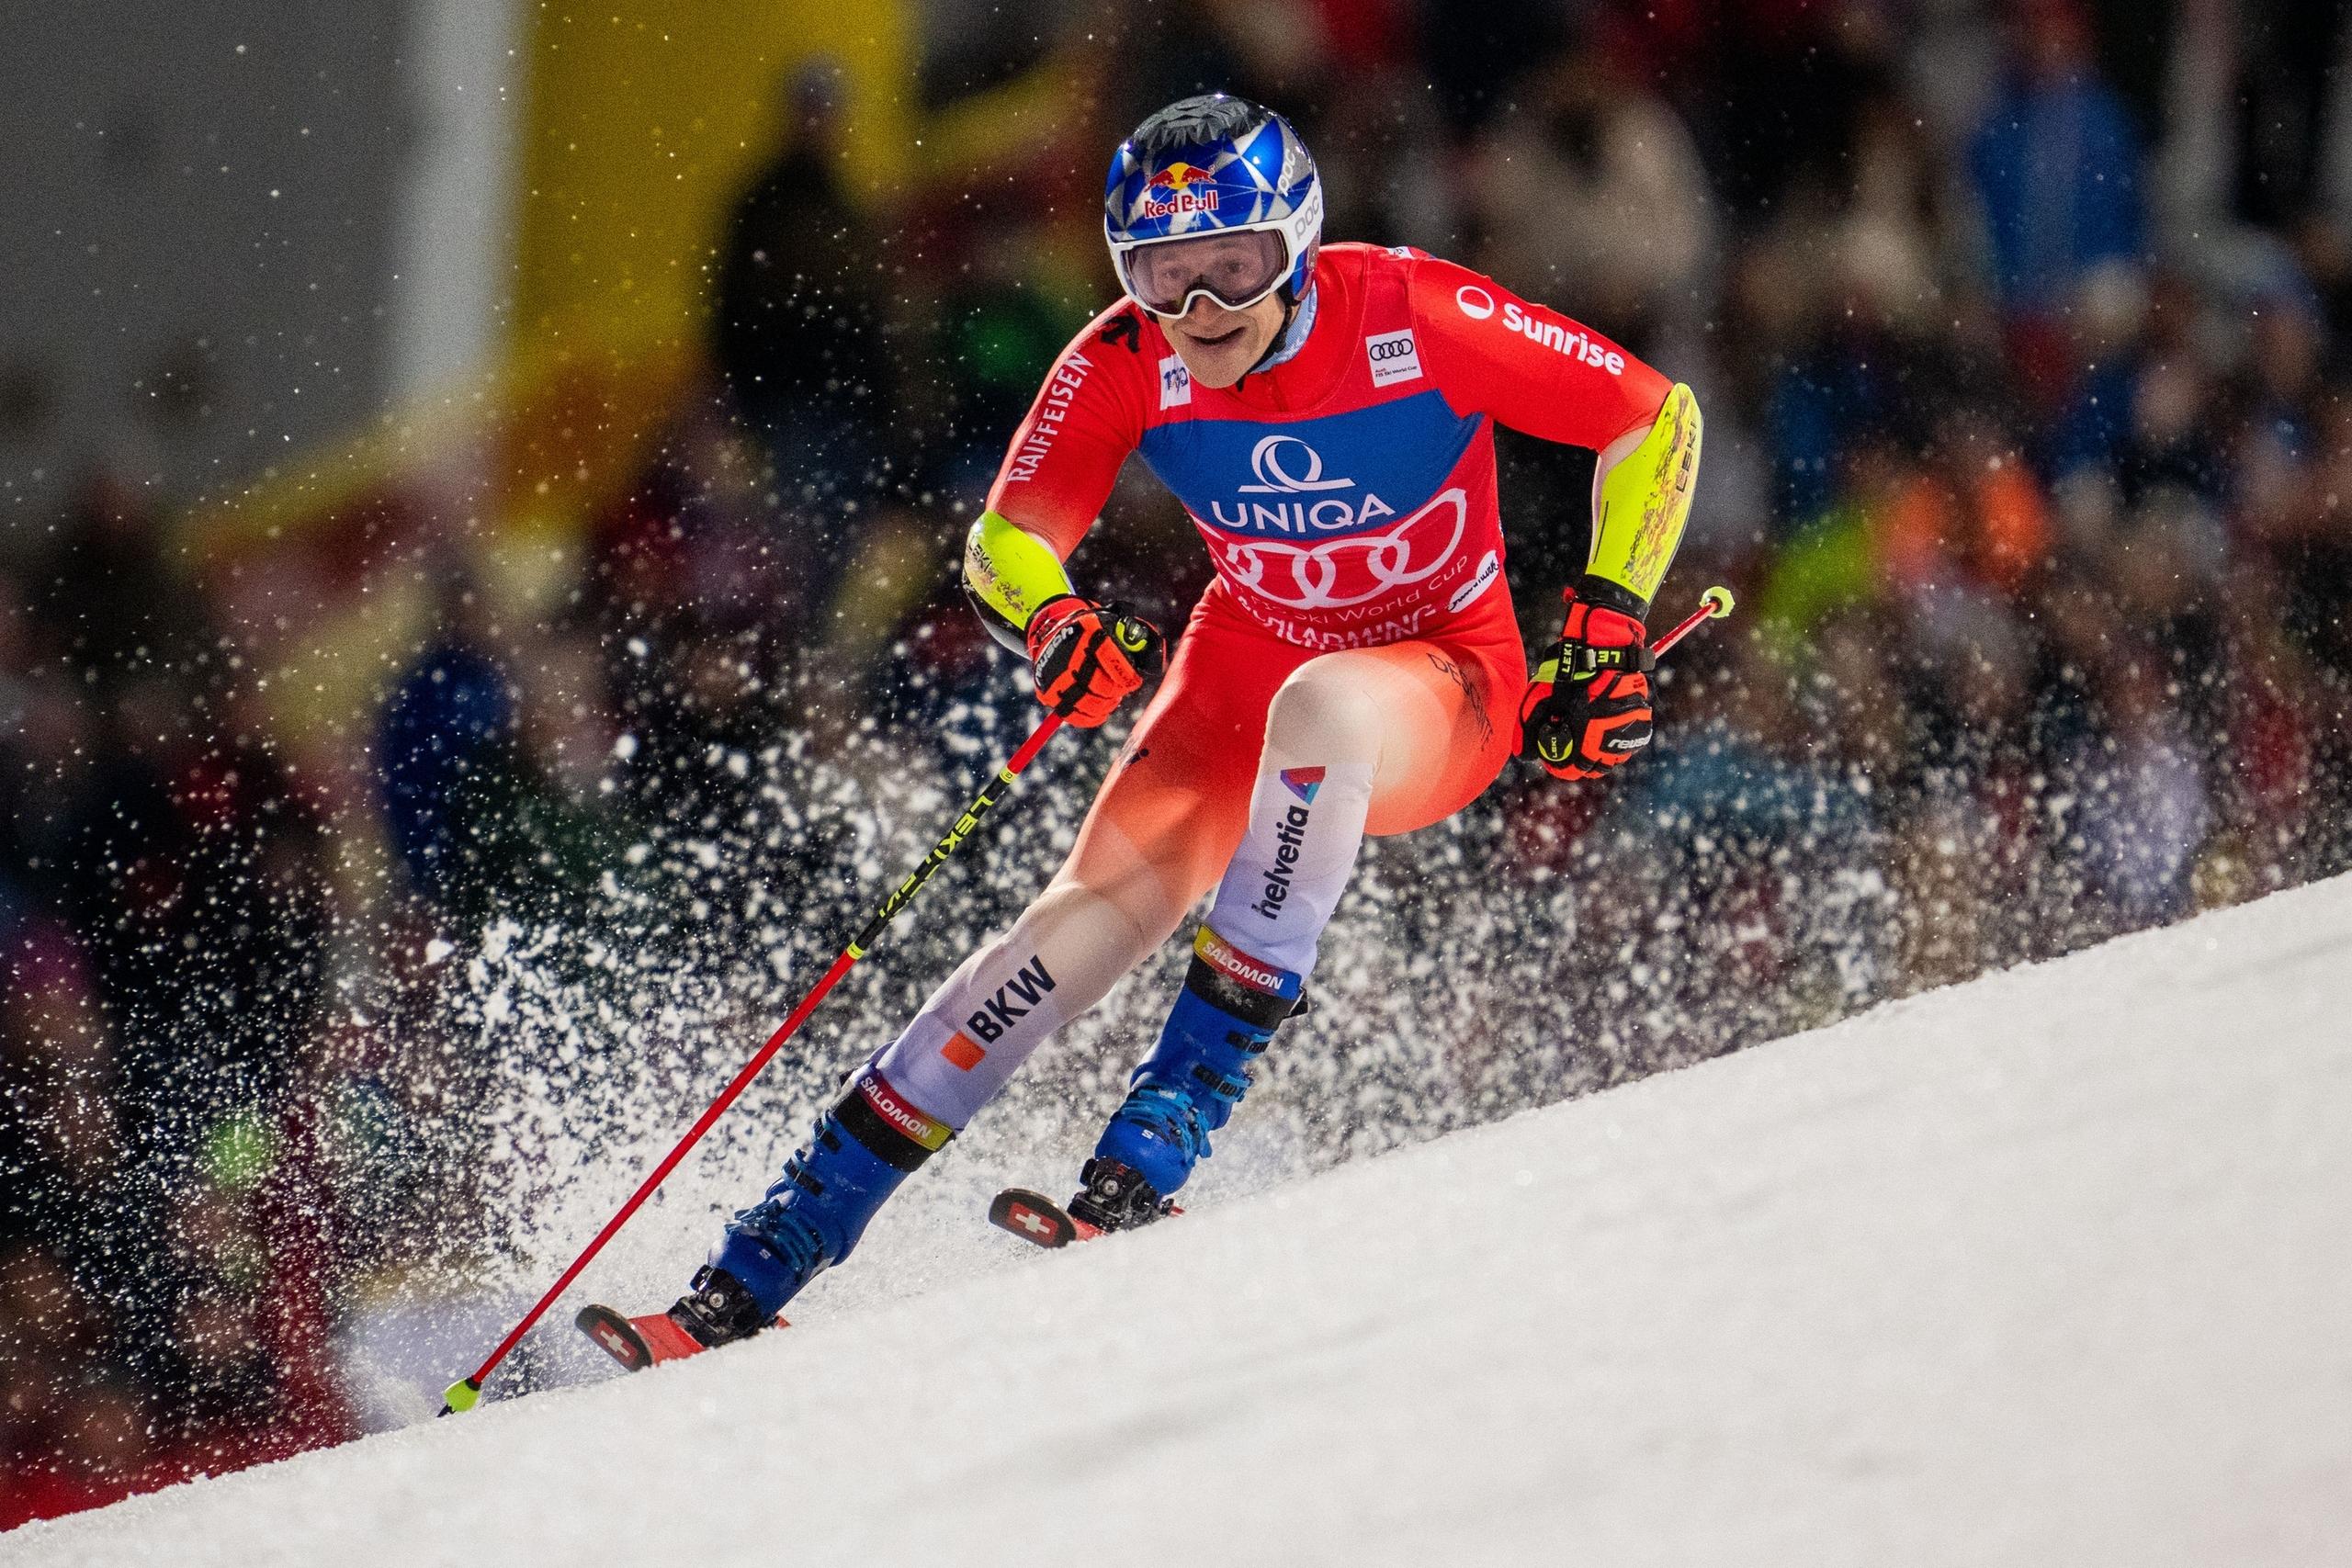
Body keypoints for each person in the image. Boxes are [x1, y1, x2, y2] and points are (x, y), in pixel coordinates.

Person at [588, 94, 1702, 1364]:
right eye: (1166, 273)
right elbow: (1006, 539)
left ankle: (1149, 1153)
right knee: (1059, 941)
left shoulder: (1408, 312)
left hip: (1441, 683)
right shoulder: (1127, 357)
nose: (1204, 305)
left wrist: (1608, 617)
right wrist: (1055, 620)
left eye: (1235, 264)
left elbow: (1653, 418)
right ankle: (752, 1273)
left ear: (1296, 243)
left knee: (1325, 706)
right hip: (1241, 673)